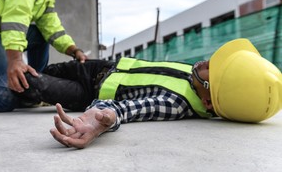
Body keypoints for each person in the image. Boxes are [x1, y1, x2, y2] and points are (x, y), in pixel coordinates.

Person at [19, 38, 282, 149]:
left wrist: (99, 117)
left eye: (213, 70)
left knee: (30, 82)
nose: (206, 62)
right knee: (47, 69)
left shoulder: (177, 104)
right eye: (215, 60)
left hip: (86, 91)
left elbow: (134, 109)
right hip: (104, 66)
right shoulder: (196, 73)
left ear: (207, 102)